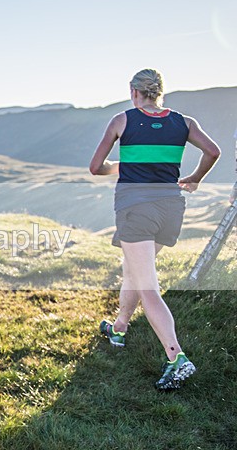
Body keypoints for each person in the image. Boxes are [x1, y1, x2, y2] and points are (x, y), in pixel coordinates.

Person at [89, 68, 220, 390]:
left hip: (136, 208)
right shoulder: (184, 122)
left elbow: (95, 168)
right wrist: (195, 179)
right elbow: (213, 151)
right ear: (159, 92)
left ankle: (176, 358)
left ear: (134, 91)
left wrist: (121, 165)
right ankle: (118, 328)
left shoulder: (123, 120)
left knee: (147, 284)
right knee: (133, 270)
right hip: (171, 207)